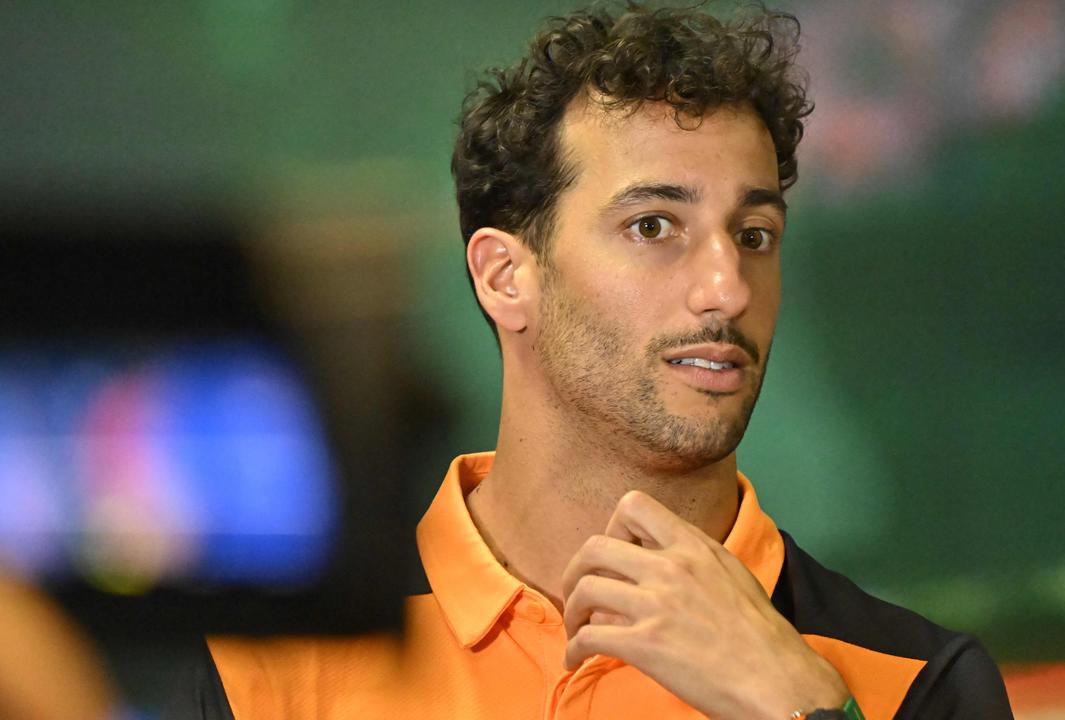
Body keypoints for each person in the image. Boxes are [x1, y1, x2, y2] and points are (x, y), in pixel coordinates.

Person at [169, 3, 1013, 718]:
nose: (727, 288)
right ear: (507, 277)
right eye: (653, 227)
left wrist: (800, 707)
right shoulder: (271, 668)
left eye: (754, 236)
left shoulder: (914, 682)